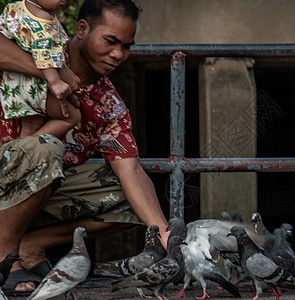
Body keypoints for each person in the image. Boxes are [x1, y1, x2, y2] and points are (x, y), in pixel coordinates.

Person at [0, 0, 169, 296]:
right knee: (47, 147)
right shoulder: (44, 41)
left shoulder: (109, 104)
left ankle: (31, 245)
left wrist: (166, 236)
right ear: (82, 29)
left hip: (35, 197)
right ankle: (4, 254)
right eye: (110, 41)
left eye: (126, 46)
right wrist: (49, 73)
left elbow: (130, 170)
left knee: (136, 200)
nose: (118, 54)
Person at [0, 0, 81, 139]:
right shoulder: (43, 19)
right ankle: (19, 150)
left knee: (30, 125)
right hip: (33, 85)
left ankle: (19, 150)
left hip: (12, 85)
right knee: (72, 117)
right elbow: (43, 52)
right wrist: (55, 81)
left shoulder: (14, 7)